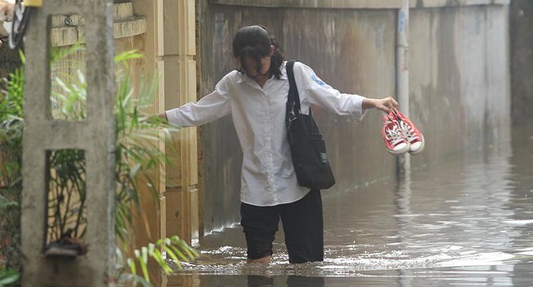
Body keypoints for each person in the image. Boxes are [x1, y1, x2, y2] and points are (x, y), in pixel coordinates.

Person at [157, 25, 398, 264]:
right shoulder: (234, 84)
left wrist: (372, 102)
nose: (254, 74)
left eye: (258, 67)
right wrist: (158, 120)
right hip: (256, 188)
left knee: (307, 265)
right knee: (257, 264)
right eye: (247, 68)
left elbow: (334, 99)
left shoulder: (297, 74)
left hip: (298, 185)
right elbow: (200, 111)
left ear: (271, 51)